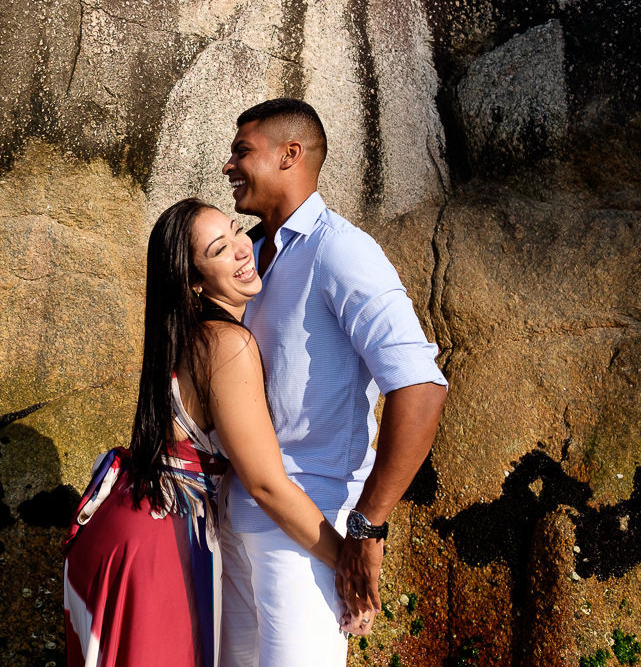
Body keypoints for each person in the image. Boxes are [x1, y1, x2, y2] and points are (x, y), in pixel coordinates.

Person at [63, 198, 354, 667]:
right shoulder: (227, 344)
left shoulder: (183, 334)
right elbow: (265, 484)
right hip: (159, 535)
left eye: (238, 231)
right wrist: (348, 562)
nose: (242, 249)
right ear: (195, 282)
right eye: (220, 249)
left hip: (126, 518)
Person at [218, 98, 448, 666]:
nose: (228, 166)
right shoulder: (248, 259)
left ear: (290, 155)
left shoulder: (341, 250)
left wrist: (368, 529)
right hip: (232, 526)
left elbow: (419, 384)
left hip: (307, 534)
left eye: (242, 151)